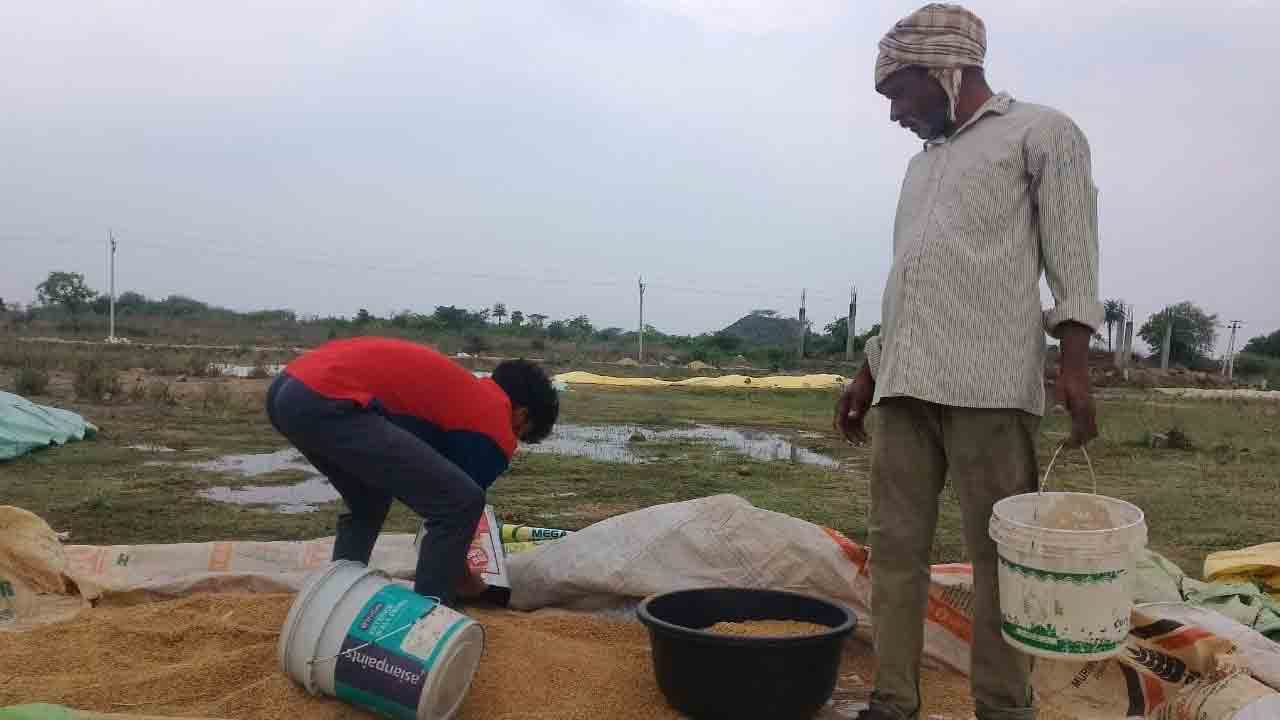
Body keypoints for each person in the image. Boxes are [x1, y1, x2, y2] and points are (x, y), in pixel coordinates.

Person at [834, 4, 1103, 719]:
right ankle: (891, 702)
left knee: (997, 562)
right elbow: (907, 278)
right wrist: (868, 370)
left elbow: (1073, 255)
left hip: (989, 385)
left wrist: (1073, 364)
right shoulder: (922, 168)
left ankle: (1002, 708)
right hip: (903, 384)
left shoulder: (1042, 133)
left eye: (898, 93)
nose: (894, 113)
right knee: (893, 550)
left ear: (943, 70)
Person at [266, 336, 559, 607]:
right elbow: (455, 512)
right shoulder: (495, 419)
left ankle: (337, 595)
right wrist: (469, 583)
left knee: (368, 501)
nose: (513, 439)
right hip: (329, 400)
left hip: (289, 389)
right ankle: (427, 625)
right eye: (522, 432)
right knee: (460, 505)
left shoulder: (465, 393)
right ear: (521, 414)